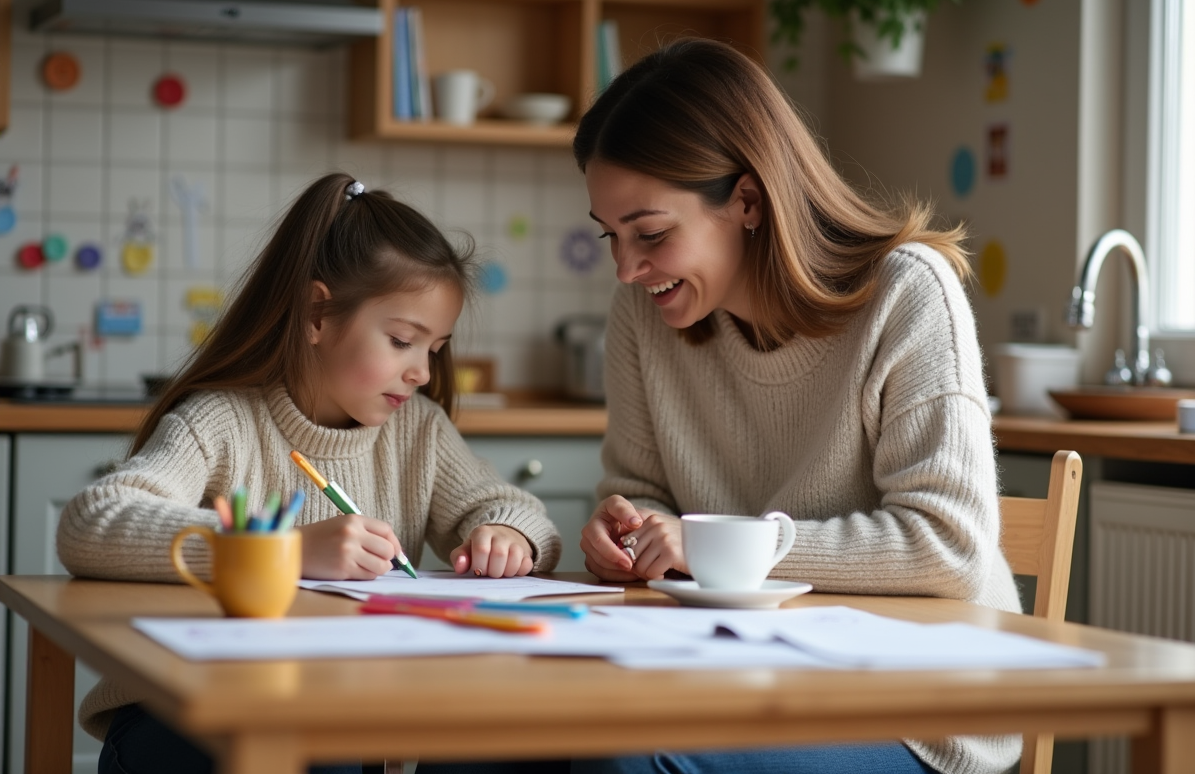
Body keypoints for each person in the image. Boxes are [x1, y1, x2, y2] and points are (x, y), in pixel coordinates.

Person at [571, 38, 1023, 774]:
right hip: (737, 674)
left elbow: (948, 544)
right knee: (493, 743)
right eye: (611, 237)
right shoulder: (644, 317)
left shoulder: (908, 295)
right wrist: (628, 528)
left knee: (631, 761)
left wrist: (723, 548)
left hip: (917, 706)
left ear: (746, 199)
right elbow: (643, 492)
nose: (626, 269)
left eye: (650, 234)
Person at [57, 172, 563, 774]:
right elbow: (92, 523)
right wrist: (282, 552)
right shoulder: (221, 423)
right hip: (184, 711)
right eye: (403, 340)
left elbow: (513, 511)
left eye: (435, 348)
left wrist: (508, 536)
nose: (423, 373)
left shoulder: (417, 432)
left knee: (502, 743)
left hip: (338, 710)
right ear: (317, 314)